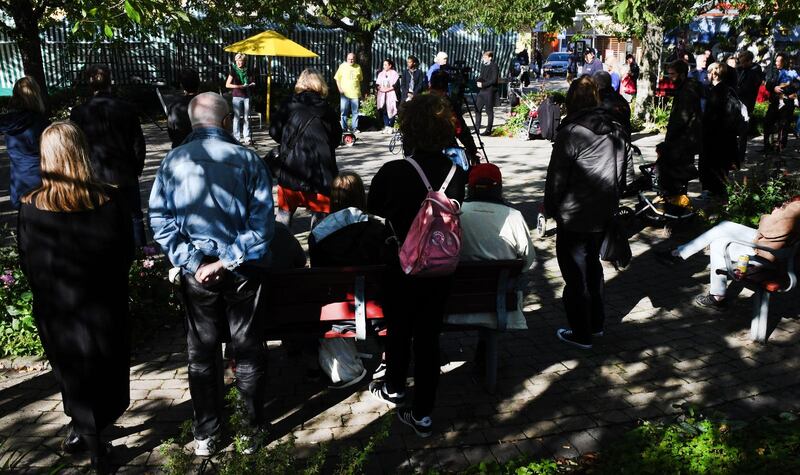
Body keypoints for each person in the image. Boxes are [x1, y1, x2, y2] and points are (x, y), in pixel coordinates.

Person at [149, 92, 274, 457]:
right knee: (248, 350)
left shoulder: (172, 161)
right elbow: (262, 225)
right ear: (225, 121)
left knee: (201, 354)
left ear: (191, 123)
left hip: (197, 273)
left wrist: (194, 261)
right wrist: (228, 259)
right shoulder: (248, 161)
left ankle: (206, 432)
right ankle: (250, 431)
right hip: (243, 271)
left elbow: (160, 220)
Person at [18, 122, 134, 473]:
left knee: (72, 373)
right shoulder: (110, 201)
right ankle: (95, 441)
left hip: (58, 310)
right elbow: (125, 253)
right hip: (104, 306)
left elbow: (28, 263)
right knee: (105, 371)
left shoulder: (30, 207)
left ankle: (84, 429)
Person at [367, 94, 467, 438]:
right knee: (428, 337)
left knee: (398, 328)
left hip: (401, 264)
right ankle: (423, 413)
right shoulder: (456, 172)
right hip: (440, 267)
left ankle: (394, 386)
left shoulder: (395, 171)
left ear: (409, 128)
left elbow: (374, 205)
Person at [544, 76, 628, 350]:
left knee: (576, 276)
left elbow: (557, 177)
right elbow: (622, 173)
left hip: (576, 214)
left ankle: (582, 333)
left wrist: (550, 207)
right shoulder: (615, 127)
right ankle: (596, 324)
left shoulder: (572, 131)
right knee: (593, 269)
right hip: (603, 211)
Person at [656, 196, 800, 310]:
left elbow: (769, 230)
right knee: (725, 226)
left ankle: (716, 295)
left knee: (719, 243)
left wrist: (773, 214)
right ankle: (678, 254)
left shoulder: (796, 207)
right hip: (775, 248)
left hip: (768, 253)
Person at [446, 163, 536, 330]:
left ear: (470, 187)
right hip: (499, 303)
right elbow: (528, 260)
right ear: (499, 187)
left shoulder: (454, 214)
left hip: (453, 302)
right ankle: (486, 348)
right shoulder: (514, 216)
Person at [70, 64, 147, 247]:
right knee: (134, 215)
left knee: (98, 215)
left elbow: (74, 146)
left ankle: (104, 250)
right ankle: (144, 259)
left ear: (90, 85)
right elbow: (138, 142)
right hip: (125, 170)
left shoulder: (79, 112)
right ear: (110, 81)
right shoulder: (126, 108)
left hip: (94, 173)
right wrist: (136, 168)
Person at [269, 68, 342, 229]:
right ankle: (318, 250)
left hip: (291, 170)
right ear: (320, 84)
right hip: (321, 174)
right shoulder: (327, 109)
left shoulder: (289, 104)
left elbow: (273, 132)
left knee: (283, 217)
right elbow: (336, 139)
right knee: (321, 225)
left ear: (300, 82)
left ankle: (283, 250)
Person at [0, 76, 49, 209]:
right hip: (42, 182)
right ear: (36, 95)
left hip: (19, 182)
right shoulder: (41, 122)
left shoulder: (6, 121)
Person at [658, 60, 702, 197]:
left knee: (679, 173)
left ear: (682, 74)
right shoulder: (684, 88)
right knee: (679, 173)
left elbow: (682, 118)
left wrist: (669, 141)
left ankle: (679, 203)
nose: (670, 77)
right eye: (668, 74)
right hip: (684, 139)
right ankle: (678, 201)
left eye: (673, 74)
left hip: (683, 140)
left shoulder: (687, 90)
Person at [699, 62, 739, 198]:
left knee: (715, 168)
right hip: (718, 138)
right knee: (716, 168)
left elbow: (726, 118)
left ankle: (714, 194)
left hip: (717, 139)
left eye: (709, 72)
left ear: (714, 74)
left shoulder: (721, 92)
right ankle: (714, 192)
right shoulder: (723, 90)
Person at [428, 71, 480, 163]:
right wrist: (472, 150)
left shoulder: (419, 99)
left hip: (419, 151)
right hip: (443, 150)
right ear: (446, 85)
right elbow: (459, 129)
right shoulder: (446, 103)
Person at [763, 53, 795, 153]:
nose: (776, 63)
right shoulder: (773, 71)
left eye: (778, 61)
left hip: (787, 103)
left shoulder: (791, 72)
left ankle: (780, 146)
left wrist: (784, 89)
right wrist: (774, 88)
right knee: (768, 123)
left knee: (783, 125)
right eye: (776, 60)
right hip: (774, 102)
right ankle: (767, 145)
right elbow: (768, 83)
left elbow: (796, 85)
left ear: (784, 62)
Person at [225, 53, 256, 145]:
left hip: (247, 95)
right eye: (237, 61)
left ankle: (247, 137)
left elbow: (252, 81)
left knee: (247, 117)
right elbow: (227, 84)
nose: (239, 62)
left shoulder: (248, 70)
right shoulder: (233, 71)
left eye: (241, 61)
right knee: (237, 117)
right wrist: (239, 86)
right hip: (237, 96)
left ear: (244, 61)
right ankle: (236, 137)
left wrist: (251, 84)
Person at [167, 68, 200, 149]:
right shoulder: (209, 102)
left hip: (180, 148)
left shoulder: (174, 105)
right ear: (199, 83)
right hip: (203, 148)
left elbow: (171, 131)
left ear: (181, 85)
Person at [593, 70, 631, 138]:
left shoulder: (597, 101)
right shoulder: (621, 100)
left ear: (596, 85)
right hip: (623, 140)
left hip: (605, 142)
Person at [334, 52, 363, 132]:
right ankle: (344, 128)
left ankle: (355, 128)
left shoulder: (358, 67)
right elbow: (337, 79)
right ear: (346, 59)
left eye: (352, 59)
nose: (351, 60)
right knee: (343, 112)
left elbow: (360, 79)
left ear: (355, 59)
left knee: (355, 112)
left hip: (355, 93)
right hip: (344, 93)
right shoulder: (342, 66)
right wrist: (340, 89)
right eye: (349, 59)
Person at [475, 51, 500, 136]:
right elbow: (481, 76)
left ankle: (488, 130)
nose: (483, 59)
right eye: (483, 57)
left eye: (485, 57)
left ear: (490, 57)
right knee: (477, 109)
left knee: (489, 111)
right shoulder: (483, 66)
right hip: (482, 91)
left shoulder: (494, 66)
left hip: (489, 91)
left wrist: (483, 84)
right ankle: (477, 128)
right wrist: (478, 81)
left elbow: (493, 80)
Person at [376, 59, 400, 134]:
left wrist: (387, 89)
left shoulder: (394, 74)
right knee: (384, 110)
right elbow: (377, 84)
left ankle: (391, 126)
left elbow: (396, 85)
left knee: (392, 109)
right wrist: (380, 88)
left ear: (390, 65)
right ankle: (386, 126)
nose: (384, 66)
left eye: (386, 65)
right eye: (384, 65)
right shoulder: (381, 74)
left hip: (391, 94)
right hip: (382, 94)